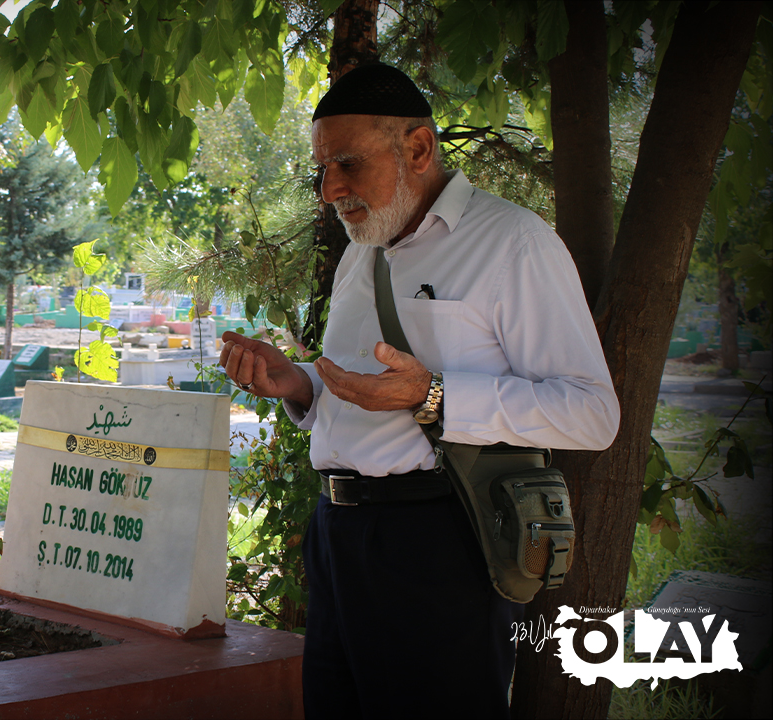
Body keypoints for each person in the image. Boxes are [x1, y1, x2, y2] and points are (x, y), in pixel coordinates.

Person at [217, 64, 619, 718]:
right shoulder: (364, 247)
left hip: (438, 542)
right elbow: (356, 385)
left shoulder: (513, 243)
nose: (330, 190)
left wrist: (433, 398)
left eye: (347, 163)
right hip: (337, 537)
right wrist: (297, 384)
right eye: (321, 169)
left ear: (420, 149)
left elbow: (592, 414)